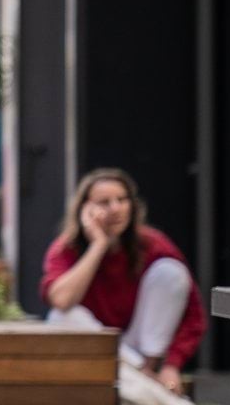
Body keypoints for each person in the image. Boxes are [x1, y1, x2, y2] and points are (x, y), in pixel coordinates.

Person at [42, 168, 205, 405]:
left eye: (122, 199)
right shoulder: (65, 249)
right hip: (99, 354)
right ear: (85, 210)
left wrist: (171, 365)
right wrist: (98, 244)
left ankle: (143, 373)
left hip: (143, 351)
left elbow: (194, 317)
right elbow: (61, 300)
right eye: (104, 202)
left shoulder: (152, 244)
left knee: (170, 271)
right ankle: (155, 388)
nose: (115, 208)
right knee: (63, 316)